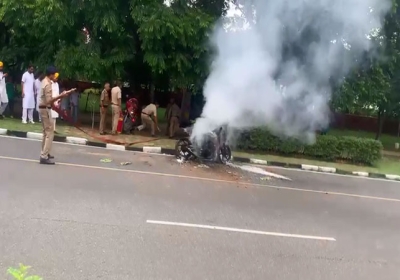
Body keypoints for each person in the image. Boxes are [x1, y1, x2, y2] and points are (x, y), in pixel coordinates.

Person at [38, 66, 74, 165]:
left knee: (46, 133)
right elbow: (49, 100)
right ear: (51, 74)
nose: (55, 76)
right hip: (45, 108)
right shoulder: (48, 84)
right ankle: (44, 156)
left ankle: (45, 152)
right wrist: (61, 95)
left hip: (43, 108)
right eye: (54, 75)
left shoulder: (45, 81)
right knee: (50, 133)